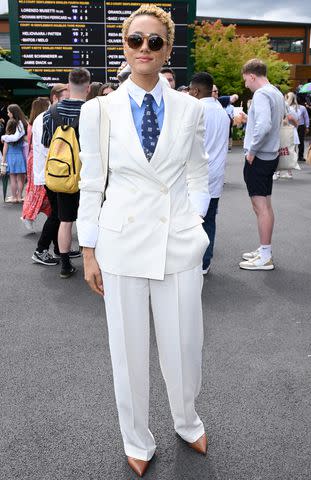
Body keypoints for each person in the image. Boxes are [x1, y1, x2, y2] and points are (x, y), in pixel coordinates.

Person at [77, 4, 210, 477]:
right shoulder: (97, 110)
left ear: (168, 49)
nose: (145, 49)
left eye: (155, 41)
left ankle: (187, 419)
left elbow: (198, 171)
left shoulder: (190, 107)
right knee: (128, 351)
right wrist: (88, 249)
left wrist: (194, 221)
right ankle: (136, 437)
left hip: (177, 242)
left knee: (184, 343)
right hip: (121, 243)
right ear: (125, 46)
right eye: (136, 40)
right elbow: (92, 183)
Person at [41, 68, 90, 278]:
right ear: (88, 88)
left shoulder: (50, 113)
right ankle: (93, 263)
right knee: (93, 219)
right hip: (89, 176)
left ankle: (65, 265)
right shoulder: (93, 111)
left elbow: (45, 143)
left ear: (68, 87)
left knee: (65, 220)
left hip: (62, 175)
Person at [239, 58, 285, 271]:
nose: (245, 84)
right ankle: (265, 250)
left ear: (252, 75)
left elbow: (265, 124)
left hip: (260, 157)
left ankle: (265, 255)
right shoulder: (275, 92)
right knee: (265, 204)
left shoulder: (261, 94)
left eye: (245, 80)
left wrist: (253, 150)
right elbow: (271, 122)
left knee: (261, 206)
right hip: (270, 155)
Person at [189, 72, 230, 274]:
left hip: (195, 175)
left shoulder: (195, 110)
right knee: (210, 220)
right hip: (216, 174)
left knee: (190, 220)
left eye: (190, 90)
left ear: (196, 91)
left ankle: (192, 262)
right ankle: (205, 262)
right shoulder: (221, 111)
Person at [31, 84, 71, 266]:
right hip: (52, 175)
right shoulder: (45, 118)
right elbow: (49, 149)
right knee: (57, 214)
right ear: (55, 98)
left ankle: (59, 248)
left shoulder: (48, 116)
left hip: (52, 173)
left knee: (59, 213)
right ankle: (40, 250)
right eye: (65, 99)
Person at [21, 97, 51, 231]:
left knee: (36, 189)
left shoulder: (31, 124)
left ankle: (30, 215)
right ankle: (28, 215)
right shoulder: (39, 123)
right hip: (38, 158)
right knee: (39, 189)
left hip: (33, 157)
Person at [1, 104, 28, 203]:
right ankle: (20, 196)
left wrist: (3, 162)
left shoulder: (8, 138)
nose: (7, 114)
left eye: (8, 112)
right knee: (20, 178)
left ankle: (13, 197)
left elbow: (5, 150)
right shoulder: (22, 129)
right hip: (20, 156)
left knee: (12, 178)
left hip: (11, 157)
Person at [296, 95, 309, 161]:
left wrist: (307, 126)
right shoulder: (303, 108)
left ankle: (299, 156)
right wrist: (307, 127)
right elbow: (306, 118)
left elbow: (306, 117)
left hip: (299, 126)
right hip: (298, 126)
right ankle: (299, 156)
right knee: (299, 142)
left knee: (300, 141)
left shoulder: (303, 108)